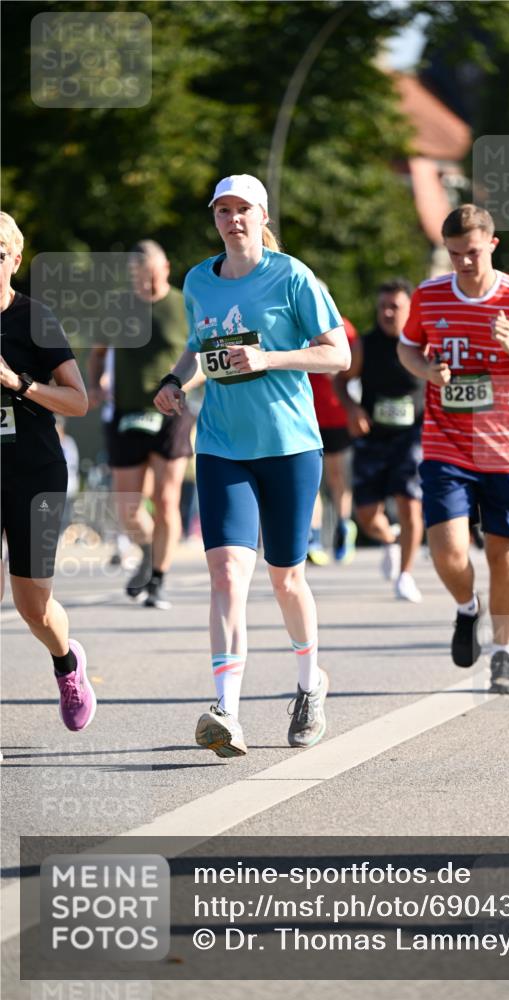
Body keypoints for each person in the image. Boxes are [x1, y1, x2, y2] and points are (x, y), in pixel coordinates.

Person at [153, 174, 350, 758]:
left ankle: (310, 684)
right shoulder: (197, 280)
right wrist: (174, 379)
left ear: (262, 216)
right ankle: (227, 711)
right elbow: (198, 346)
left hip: (289, 445)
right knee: (227, 574)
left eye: (244, 210)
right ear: (214, 217)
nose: (233, 219)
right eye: (223, 210)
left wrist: (270, 357)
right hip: (220, 446)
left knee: (286, 578)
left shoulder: (291, 276)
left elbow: (336, 353)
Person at [397, 204, 509, 694]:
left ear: (492, 244)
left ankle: (504, 654)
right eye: (454, 254)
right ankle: (468, 608)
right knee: (446, 551)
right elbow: (406, 348)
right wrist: (426, 371)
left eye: (471, 252)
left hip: (505, 449)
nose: (464, 262)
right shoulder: (428, 296)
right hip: (446, 444)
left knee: (504, 557)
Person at [0, 211, 95, 732]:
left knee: (32, 605)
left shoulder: (34, 318)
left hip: (34, 473)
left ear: (14, 259)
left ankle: (66, 663)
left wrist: (17, 383)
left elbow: (78, 402)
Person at [88, 241, 197, 609]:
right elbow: (99, 353)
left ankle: (159, 579)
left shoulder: (184, 305)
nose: (146, 284)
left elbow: (201, 360)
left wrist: (180, 387)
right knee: (128, 508)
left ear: (165, 268)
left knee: (166, 500)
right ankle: (150, 553)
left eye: (151, 275)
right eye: (138, 277)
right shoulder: (119, 305)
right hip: (127, 412)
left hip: (172, 413)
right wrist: (96, 382)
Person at [335, 279, 425, 603]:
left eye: (395, 307)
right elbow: (341, 382)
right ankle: (390, 540)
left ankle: (405, 575)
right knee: (367, 515)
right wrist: (352, 407)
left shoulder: (422, 344)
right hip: (372, 437)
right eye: (382, 307)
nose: (387, 313)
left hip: (412, 435)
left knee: (409, 501)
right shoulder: (365, 345)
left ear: (410, 309)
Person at [308, 311, 358, 564]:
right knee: (312, 480)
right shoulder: (297, 325)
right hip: (307, 415)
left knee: (338, 477)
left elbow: (354, 366)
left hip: (337, 414)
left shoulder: (344, 328)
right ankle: (313, 536)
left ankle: (343, 527)